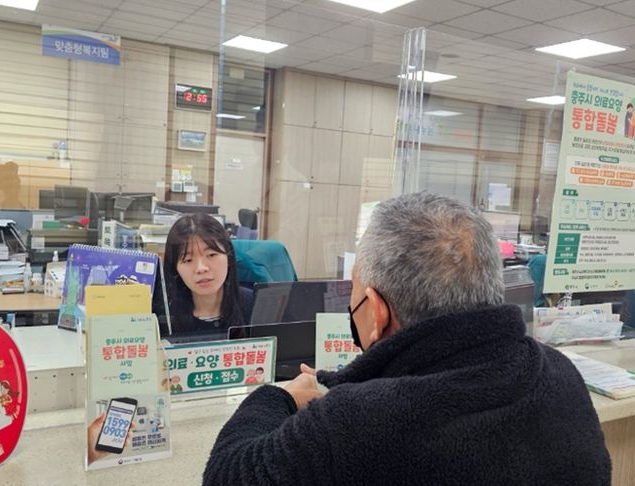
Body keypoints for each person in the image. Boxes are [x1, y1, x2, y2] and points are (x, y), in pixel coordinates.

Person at [203, 192, 611, 485]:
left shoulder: (355, 423)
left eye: (354, 300)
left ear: (377, 313)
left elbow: (226, 473)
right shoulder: (559, 374)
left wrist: (281, 397)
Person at [153, 212, 253, 337]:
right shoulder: (161, 316)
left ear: (229, 256)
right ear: (175, 269)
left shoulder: (256, 305)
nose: (201, 268)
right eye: (188, 260)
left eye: (211, 255)